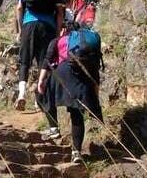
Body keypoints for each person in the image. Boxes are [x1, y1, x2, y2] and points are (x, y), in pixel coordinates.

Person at [37, 23, 104, 164]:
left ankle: (53, 127)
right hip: (84, 78)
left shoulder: (59, 40)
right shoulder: (90, 45)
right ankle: (76, 153)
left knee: (43, 95)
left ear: (65, 30)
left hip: (62, 73)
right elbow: (95, 75)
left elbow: (47, 61)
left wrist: (41, 81)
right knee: (77, 113)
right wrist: (95, 99)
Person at [14, 0, 66, 110]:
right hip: (48, 27)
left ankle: (22, 94)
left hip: (29, 25)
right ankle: (39, 100)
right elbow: (60, 13)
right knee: (43, 63)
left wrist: (20, 28)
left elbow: (19, 8)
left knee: (25, 61)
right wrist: (57, 32)